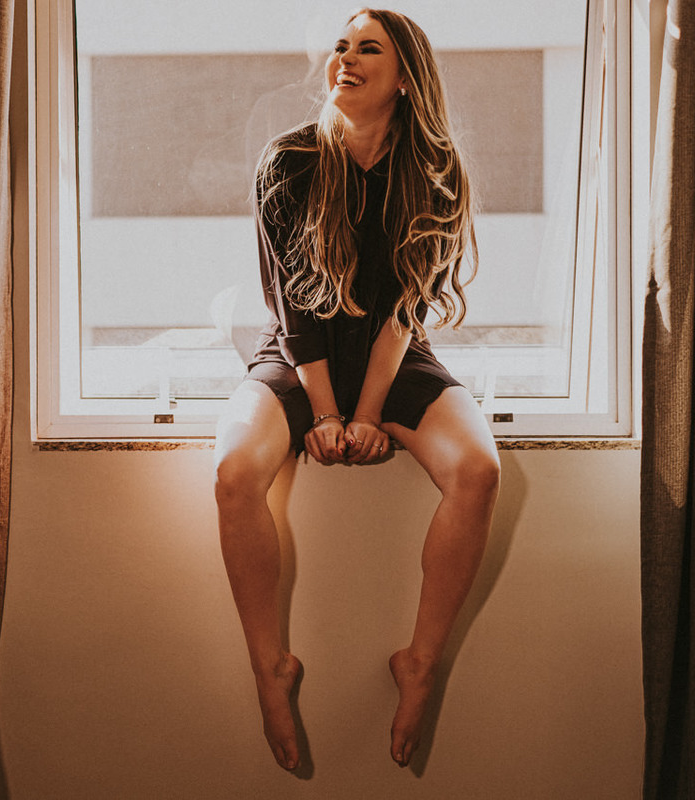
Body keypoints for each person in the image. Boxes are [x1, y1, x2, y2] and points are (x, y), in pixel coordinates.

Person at [213, 7, 501, 771]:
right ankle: (269, 667)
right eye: (340, 46)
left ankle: (420, 663)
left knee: (479, 470)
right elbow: (290, 309)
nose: (345, 57)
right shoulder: (288, 161)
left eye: (367, 48)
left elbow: (406, 312)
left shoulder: (435, 170)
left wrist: (368, 414)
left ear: (405, 77)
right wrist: (325, 411)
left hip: (393, 354)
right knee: (233, 471)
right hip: (297, 354)